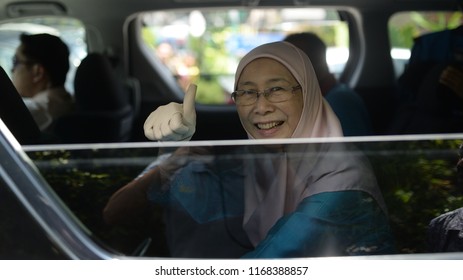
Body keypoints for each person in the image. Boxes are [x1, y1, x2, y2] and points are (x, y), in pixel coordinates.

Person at [104, 41, 395, 258]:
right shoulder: (274, 157)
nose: (260, 106)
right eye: (246, 92)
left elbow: (257, 269)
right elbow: (199, 199)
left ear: (308, 93)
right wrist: (172, 151)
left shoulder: (342, 187)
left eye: (277, 89)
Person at [284, 32, 372, 136]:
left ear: (316, 64)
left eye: (291, 63)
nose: (284, 70)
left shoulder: (339, 102)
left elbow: (347, 149)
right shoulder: (324, 97)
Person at [11, 33, 74, 133]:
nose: (12, 70)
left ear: (38, 72)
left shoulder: (34, 111)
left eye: (15, 62)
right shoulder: (70, 102)